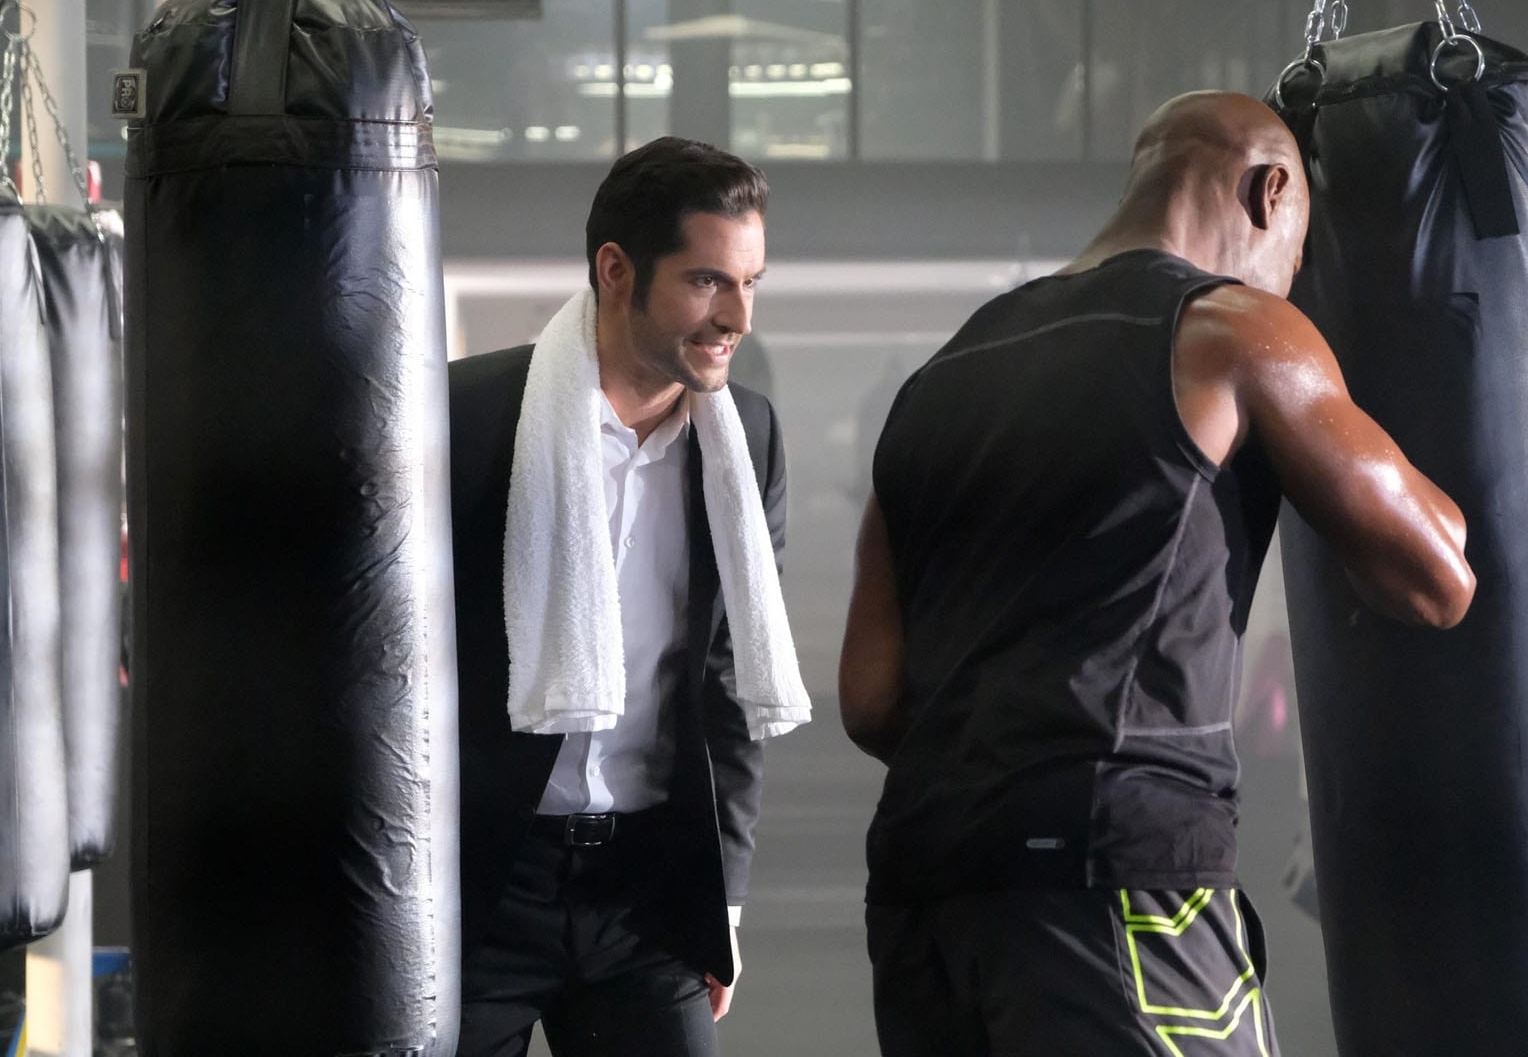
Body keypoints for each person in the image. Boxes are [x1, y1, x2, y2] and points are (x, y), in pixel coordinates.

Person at [838, 91, 1476, 1056]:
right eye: (1299, 252)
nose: (1291, 278)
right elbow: (1438, 577)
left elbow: (872, 700)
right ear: (1270, 194)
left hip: (925, 890)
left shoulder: (940, 376)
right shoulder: (1235, 331)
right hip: (1116, 871)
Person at [449, 137, 802, 1057]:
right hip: (481, 882)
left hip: (648, 895)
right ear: (616, 271)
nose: (736, 317)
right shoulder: (465, 417)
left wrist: (724, 900)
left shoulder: (748, 436)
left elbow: (729, 679)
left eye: (749, 283)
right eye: (707, 281)